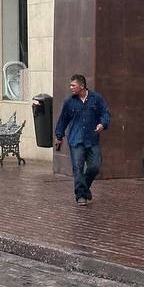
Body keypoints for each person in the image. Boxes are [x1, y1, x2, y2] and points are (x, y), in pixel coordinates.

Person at [53, 74, 110, 206]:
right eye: (70, 85)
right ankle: (80, 196)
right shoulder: (69, 102)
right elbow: (63, 120)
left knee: (95, 166)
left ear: (82, 86)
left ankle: (84, 188)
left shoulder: (96, 99)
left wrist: (103, 124)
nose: (71, 87)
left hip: (92, 139)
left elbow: (105, 113)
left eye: (73, 85)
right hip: (76, 140)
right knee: (77, 168)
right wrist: (59, 136)